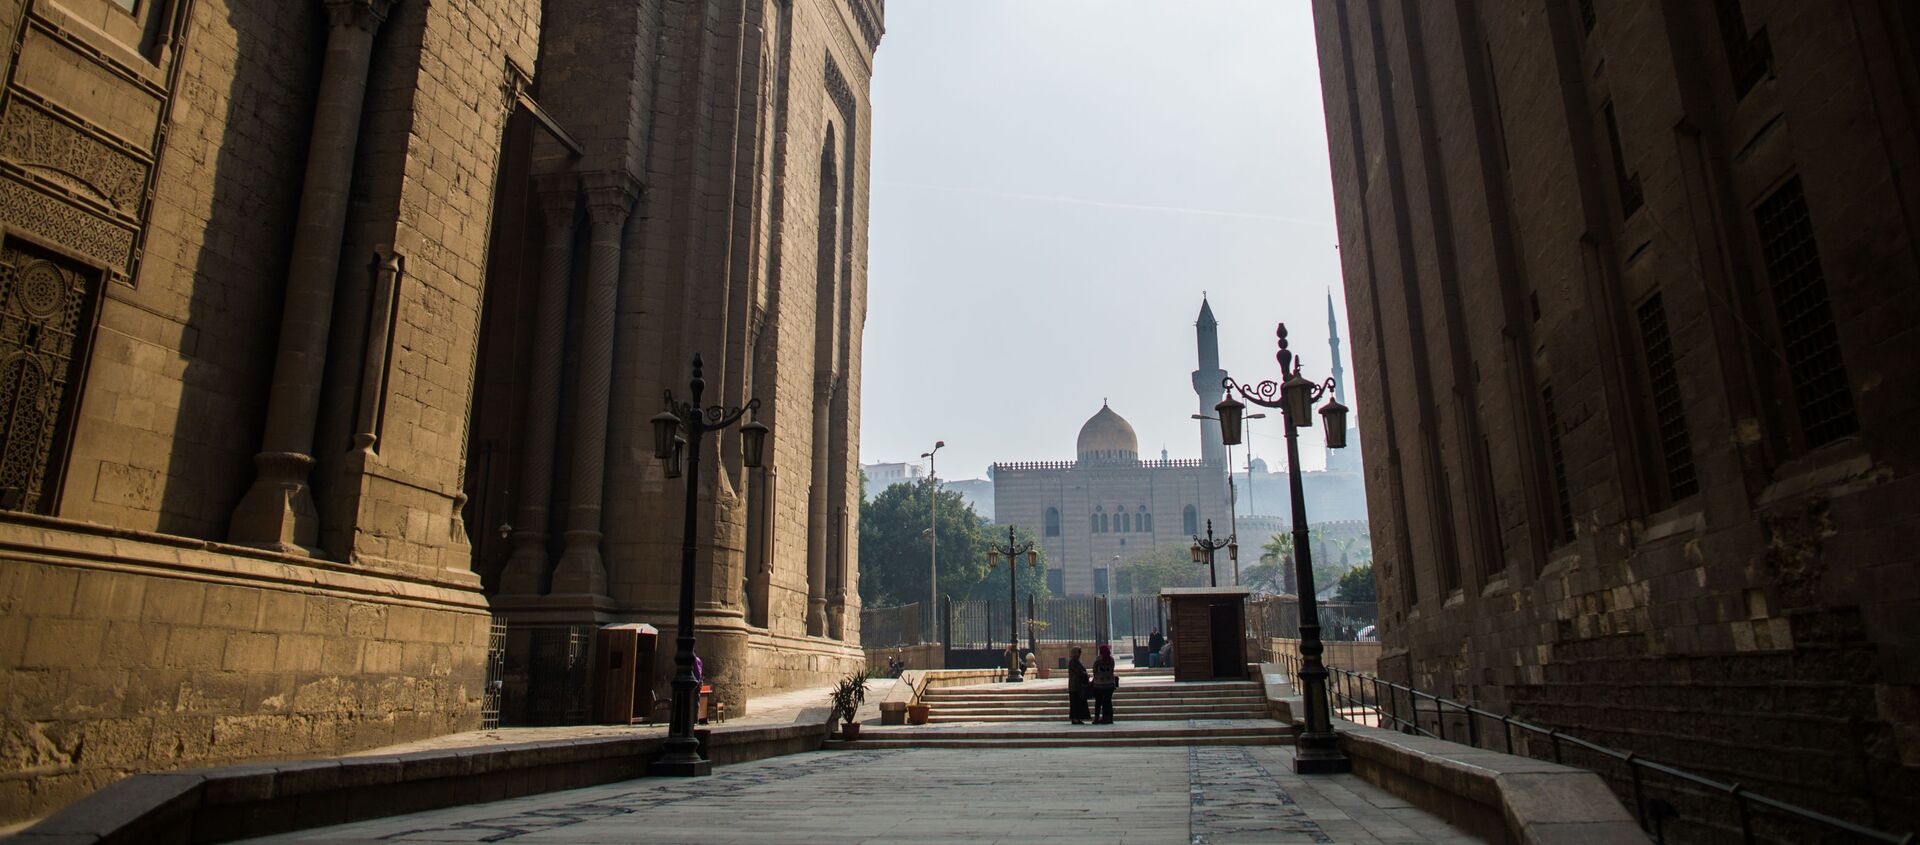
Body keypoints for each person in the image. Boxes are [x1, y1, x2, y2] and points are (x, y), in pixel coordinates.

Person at [1090, 644, 1119, 724]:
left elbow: (1094, 670)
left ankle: (1096, 718)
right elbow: (1112, 670)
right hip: (1110, 684)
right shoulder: (1111, 659)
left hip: (1098, 684)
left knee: (1098, 702)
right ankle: (1108, 718)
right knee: (1108, 702)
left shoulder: (1098, 660)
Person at [1066, 646, 1091, 724]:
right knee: (1075, 703)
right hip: (1075, 686)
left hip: (1078, 686)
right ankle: (1075, 718)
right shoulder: (1073, 661)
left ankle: (1078, 717)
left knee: (1078, 703)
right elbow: (1078, 671)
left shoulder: (1076, 661)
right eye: (1079, 652)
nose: (1079, 654)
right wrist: (1085, 675)